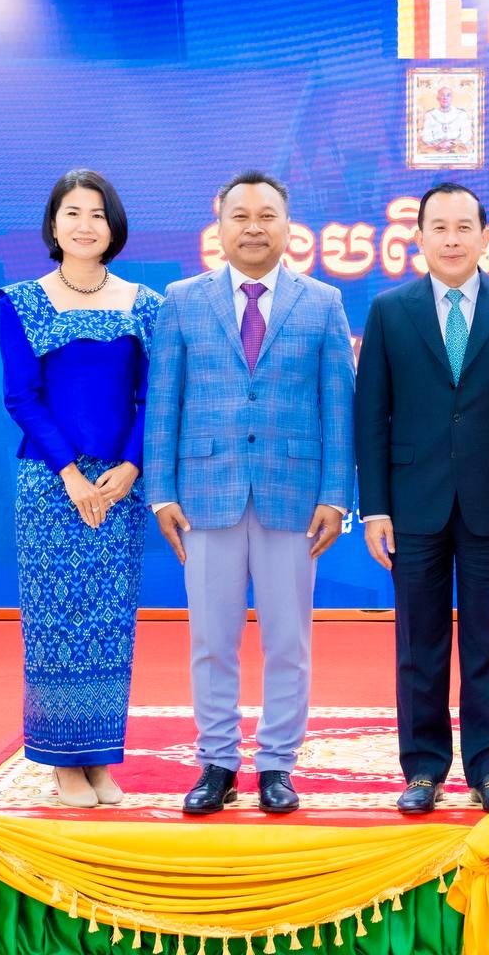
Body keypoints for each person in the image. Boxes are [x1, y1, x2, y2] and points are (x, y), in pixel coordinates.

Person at [144, 171, 355, 815]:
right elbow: (164, 401)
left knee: (288, 640)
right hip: (204, 492)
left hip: (294, 494)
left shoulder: (322, 302)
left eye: (267, 216)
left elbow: (338, 406)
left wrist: (336, 494)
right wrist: (160, 492)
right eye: (241, 216)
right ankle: (216, 763)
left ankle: (277, 765)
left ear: (288, 227)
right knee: (212, 638)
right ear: (220, 226)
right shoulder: (182, 300)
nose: (254, 227)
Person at [355, 182, 489, 816]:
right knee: (420, 641)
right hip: (413, 501)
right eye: (438, 227)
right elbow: (371, 414)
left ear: (485, 237)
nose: (451, 238)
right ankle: (422, 769)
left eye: (464, 227)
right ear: (418, 238)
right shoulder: (390, 309)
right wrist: (375, 506)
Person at [0, 169, 159, 808]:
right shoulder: (21, 300)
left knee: (111, 620)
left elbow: (152, 396)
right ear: (53, 224)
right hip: (49, 483)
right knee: (54, 620)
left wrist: (131, 468)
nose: (85, 225)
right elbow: (22, 397)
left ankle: (100, 757)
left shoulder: (145, 304)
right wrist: (70, 474)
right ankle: (62, 761)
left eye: (97, 213)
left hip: (120, 485)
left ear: (114, 227)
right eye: (72, 213)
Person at [420, 86, 474, 154]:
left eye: (448, 95)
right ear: (438, 98)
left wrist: (452, 143)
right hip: (435, 149)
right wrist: (438, 144)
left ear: (452, 98)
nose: (445, 98)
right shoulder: (429, 114)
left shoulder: (462, 114)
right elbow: (425, 135)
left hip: (457, 149)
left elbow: (466, 134)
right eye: (442, 95)